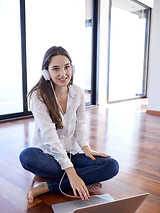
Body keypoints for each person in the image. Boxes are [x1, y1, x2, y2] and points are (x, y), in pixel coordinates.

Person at [19, 46, 119, 204]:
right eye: (56, 69)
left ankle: (46, 186)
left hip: (72, 154)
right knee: (27, 156)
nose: (63, 74)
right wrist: (72, 172)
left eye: (66, 67)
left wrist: (86, 149)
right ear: (46, 72)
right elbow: (49, 137)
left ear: (72, 68)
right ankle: (79, 177)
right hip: (48, 155)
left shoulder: (78, 92)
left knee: (111, 165)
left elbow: (81, 125)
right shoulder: (38, 96)